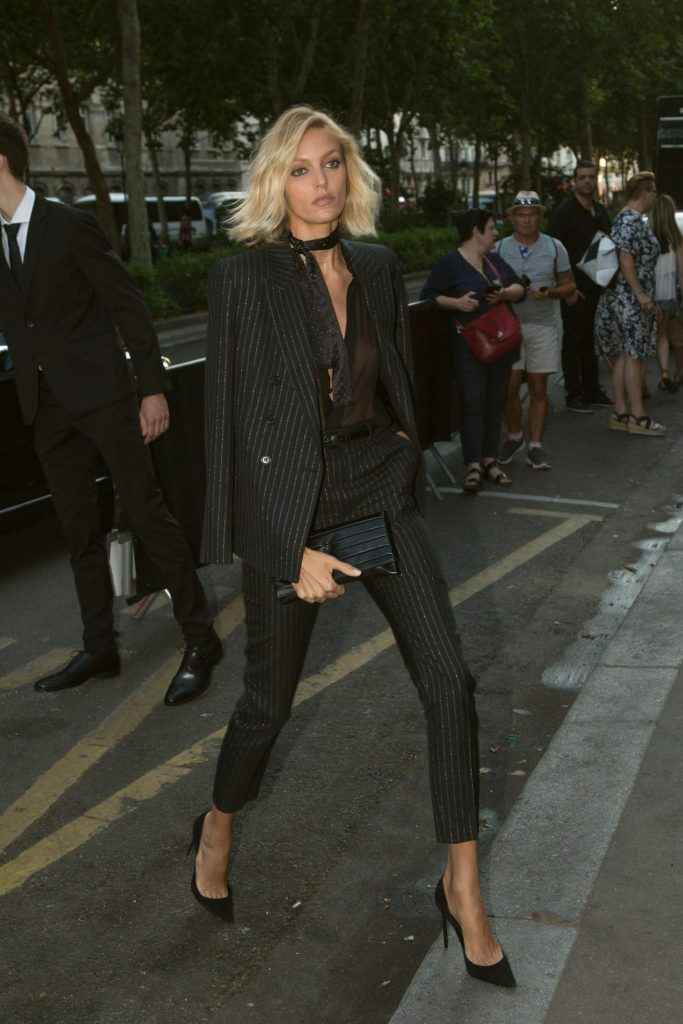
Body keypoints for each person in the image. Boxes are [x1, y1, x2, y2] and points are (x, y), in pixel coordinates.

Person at [194, 105, 516, 988]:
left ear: (351, 173)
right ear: (276, 181)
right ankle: (217, 825)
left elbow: (396, 382)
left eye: (332, 164)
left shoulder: (373, 266)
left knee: (448, 681)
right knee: (267, 706)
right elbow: (227, 429)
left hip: (377, 492)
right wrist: (282, 550)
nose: (321, 183)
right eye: (301, 169)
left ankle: (461, 887)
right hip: (293, 512)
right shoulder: (242, 278)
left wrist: (408, 458)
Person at [0, 115, 221, 705]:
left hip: (104, 397)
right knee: (78, 532)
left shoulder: (68, 226)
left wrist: (151, 388)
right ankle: (100, 647)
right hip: (45, 409)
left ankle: (201, 639)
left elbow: (128, 306)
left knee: (148, 516)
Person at [421, 209, 525, 494]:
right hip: (468, 346)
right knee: (472, 402)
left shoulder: (494, 261)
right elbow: (428, 297)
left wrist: (505, 293)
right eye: (491, 228)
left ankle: (490, 460)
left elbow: (519, 287)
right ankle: (473, 464)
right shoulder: (449, 263)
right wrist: (456, 304)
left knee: (495, 401)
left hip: (500, 344)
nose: (496, 233)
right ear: (476, 231)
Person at [497, 191, 576, 471]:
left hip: (543, 325)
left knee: (538, 387)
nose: (527, 220)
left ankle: (535, 445)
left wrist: (550, 292)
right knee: (508, 387)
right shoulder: (498, 248)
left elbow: (570, 285)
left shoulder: (554, 246)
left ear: (539, 217)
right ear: (512, 218)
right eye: (521, 214)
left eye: (532, 215)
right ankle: (514, 436)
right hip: (508, 327)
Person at [594, 171, 665, 436]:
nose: (655, 197)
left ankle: (621, 413)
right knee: (635, 357)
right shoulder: (629, 220)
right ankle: (638, 416)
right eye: (654, 191)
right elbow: (625, 259)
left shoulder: (626, 218)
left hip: (625, 298)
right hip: (630, 301)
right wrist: (641, 295)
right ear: (645, 192)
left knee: (626, 356)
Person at [549, 160, 613, 412]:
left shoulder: (600, 210)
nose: (587, 181)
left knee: (590, 340)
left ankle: (592, 390)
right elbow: (553, 250)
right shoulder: (563, 212)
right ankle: (573, 394)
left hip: (597, 286)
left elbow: (608, 245)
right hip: (573, 288)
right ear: (574, 181)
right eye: (582, 177)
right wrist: (567, 287)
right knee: (573, 340)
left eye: (591, 177)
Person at [650, 193, 683, 391]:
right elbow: (681, 270)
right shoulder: (676, 238)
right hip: (671, 296)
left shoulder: (648, 237)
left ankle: (664, 373)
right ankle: (679, 372)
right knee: (677, 337)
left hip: (652, 296)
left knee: (660, 336)